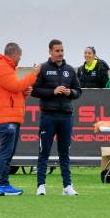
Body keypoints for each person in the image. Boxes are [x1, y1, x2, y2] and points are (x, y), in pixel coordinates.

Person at [0, 42, 40, 196]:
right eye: (20, 56)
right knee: (5, 151)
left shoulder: (6, 68)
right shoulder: (1, 67)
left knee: (9, 152)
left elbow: (13, 91)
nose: (20, 59)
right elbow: (16, 86)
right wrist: (33, 74)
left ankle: (4, 183)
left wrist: (23, 93)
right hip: (6, 117)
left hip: (11, 116)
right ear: (14, 54)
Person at [31, 39, 82, 196]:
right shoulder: (43, 69)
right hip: (48, 116)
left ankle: (67, 186)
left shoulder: (70, 70)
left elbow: (78, 91)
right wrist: (52, 92)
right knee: (44, 151)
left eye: (62, 50)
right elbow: (34, 90)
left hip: (66, 116)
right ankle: (41, 185)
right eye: (57, 50)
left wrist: (70, 93)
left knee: (64, 152)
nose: (60, 53)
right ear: (50, 52)